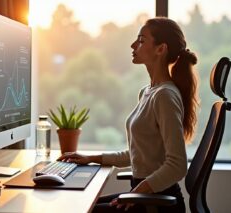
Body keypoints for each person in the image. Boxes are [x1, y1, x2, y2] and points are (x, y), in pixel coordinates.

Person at [58, 17, 199, 213]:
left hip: (157, 203)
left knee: (79, 209)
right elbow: (138, 154)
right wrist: (91, 157)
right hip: (145, 195)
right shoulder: (148, 92)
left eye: (141, 40)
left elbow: (177, 166)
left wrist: (139, 191)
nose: (133, 45)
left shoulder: (165, 96)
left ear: (161, 49)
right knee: (79, 203)